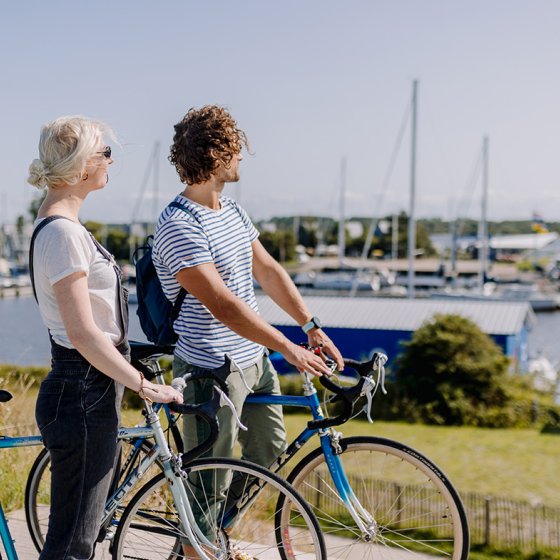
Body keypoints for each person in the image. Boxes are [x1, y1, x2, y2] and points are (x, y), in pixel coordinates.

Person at [153, 104, 344, 474]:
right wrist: (288, 348)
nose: (240, 156)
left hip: (253, 360)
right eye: (234, 147)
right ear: (215, 154)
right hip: (209, 370)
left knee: (270, 452)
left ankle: (220, 530)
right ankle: (201, 533)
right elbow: (222, 305)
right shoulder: (180, 225)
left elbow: (269, 271)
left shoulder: (232, 211)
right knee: (210, 481)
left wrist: (309, 325)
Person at [27, 116, 183, 560]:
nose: (111, 161)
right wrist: (142, 384)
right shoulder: (61, 233)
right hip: (82, 392)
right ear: (80, 166)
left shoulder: (63, 229)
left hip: (88, 390)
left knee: (80, 538)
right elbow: (82, 333)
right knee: (72, 547)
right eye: (105, 152)